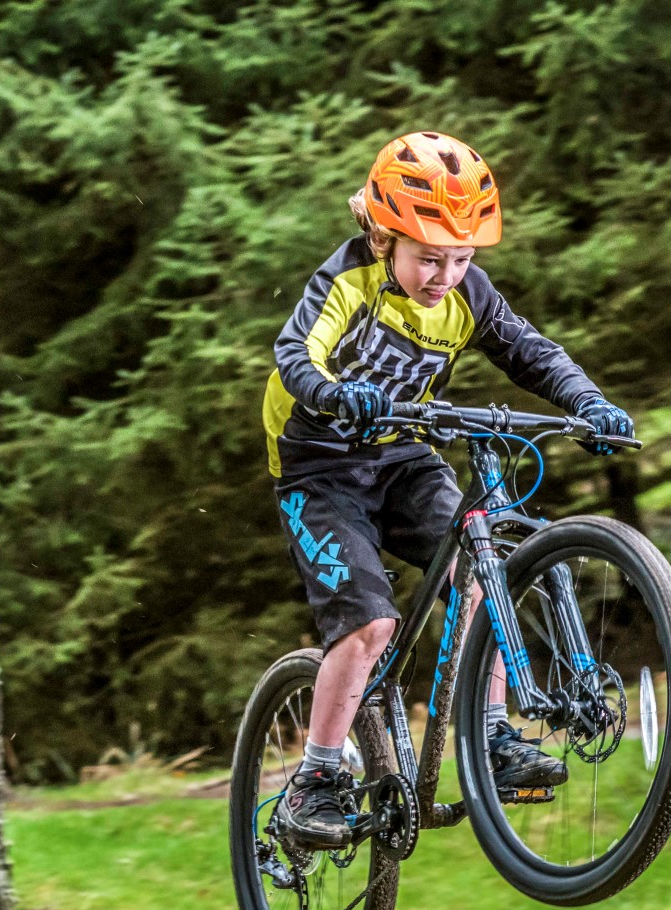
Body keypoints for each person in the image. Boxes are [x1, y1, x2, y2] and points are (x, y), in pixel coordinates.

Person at [262, 130, 634, 850]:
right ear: (382, 236)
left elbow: (531, 352)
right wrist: (336, 394)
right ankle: (315, 779)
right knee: (372, 624)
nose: (445, 275)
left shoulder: (468, 295)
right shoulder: (345, 282)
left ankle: (491, 735)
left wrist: (588, 402)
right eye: (429, 257)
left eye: (461, 258)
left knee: (482, 566)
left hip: (402, 456)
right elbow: (295, 353)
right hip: (317, 467)